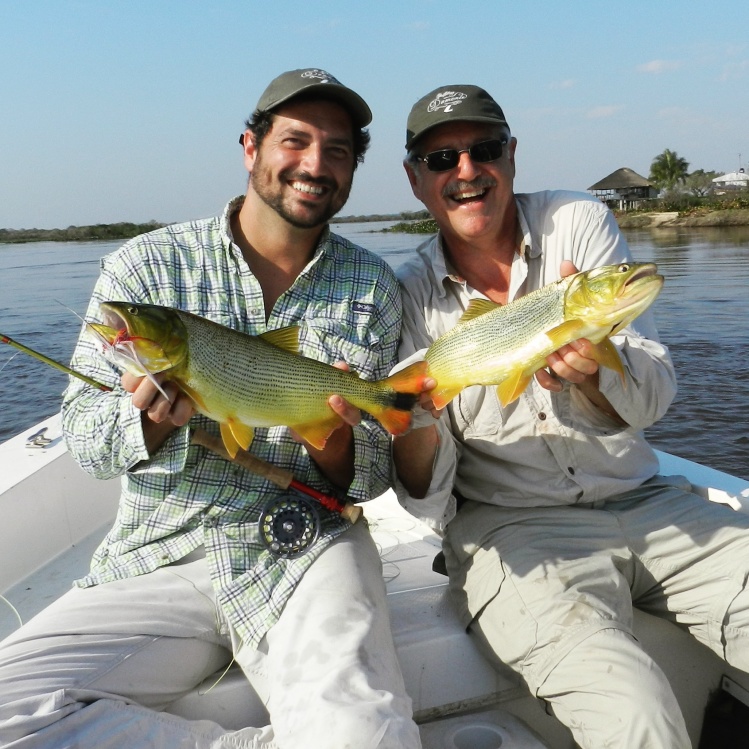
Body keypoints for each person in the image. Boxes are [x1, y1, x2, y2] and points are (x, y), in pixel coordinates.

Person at [0, 68, 421, 749]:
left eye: (336, 149)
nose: (314, 164)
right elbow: (84, 439)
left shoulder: (371, 285)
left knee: (368, 736)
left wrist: (334, 440)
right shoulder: (143, 268)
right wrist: (141, 416)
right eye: (295, 140)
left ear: (350, 168)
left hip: (306, 546)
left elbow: (368, 477)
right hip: (159, 548)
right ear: (250, 147)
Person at [392, 84, 749, 749]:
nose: (466, 170)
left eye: (484, 149)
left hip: (648, 499)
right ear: (416, 180)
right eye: (441, 159)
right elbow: (425, 498)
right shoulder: (405, 294)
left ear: (512, 155)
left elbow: (652, 397)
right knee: (634, 714)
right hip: (514, 528)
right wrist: (410, 420)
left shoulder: (576, 223)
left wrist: (592, 377)